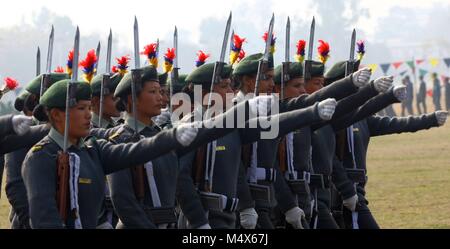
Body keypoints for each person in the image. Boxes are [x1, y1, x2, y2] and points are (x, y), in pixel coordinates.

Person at [22, 79, 200, 229]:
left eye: (88, 108)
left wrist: (172, 137)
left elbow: (135, 151)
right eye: (81, 109)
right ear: (56, 115)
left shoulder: (93, 150)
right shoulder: (41, 156)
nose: (88, 115)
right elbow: (44, 219)